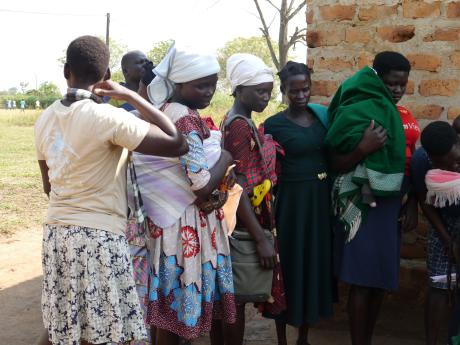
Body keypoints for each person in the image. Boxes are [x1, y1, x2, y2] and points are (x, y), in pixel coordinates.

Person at [34, 35, 187, 345]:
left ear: (67, 71)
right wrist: (131, 98)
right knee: (110, 328)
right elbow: (177, 142)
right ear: (106, 77)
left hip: (56, 234)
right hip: (100, 238)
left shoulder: (45, 118)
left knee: (64, 324)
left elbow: (49, 185)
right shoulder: (110, 118)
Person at [140, 43, 236, 345]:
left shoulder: (165, 110)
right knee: (178, 309)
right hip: (185, 226)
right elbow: (202, 184)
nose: (209, 91)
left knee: (166, 310)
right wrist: (225, 156)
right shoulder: (186, 119)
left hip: (165, 220)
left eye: (213, 85)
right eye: (201, 85)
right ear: (180, 83)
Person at [328, 52, 411, 345]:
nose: (398, 90)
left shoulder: (399, 115)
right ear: (378, 80)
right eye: (392, 84)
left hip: (388, 204)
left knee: (378, 282)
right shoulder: (357, 108)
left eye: (403, 84)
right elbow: (333, 161)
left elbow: (410, 163)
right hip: (362, 206)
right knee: (362, 281)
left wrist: (409, 203)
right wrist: (363, 148)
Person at [211, 53, 283, 345]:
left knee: (226, 298)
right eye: (260, 91)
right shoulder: (240, 125)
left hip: (237, 222)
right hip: (241, 224)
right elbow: (236, 185)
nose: (266, 97)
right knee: (235, 297)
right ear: (239, 89)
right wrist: (260, 238)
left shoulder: (234, 119)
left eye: (268, 90)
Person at [263, 61, 335, 345]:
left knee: (313, 262)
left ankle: (303, 336)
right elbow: (267, 168)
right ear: (284, 91)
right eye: (294, 91)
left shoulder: (321, 119)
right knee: (290, 265)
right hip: (291, 204)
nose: (301, 95)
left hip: (319, 202)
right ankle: (282, 337)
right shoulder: (274, 124)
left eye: (305, 89)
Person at [411, 117, 460, 345]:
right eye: (443, 165)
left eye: (455, 163)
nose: (451, 169)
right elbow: (425, 201)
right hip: (442, 220)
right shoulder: (422, 159)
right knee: (439, 284)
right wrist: (448, 241)